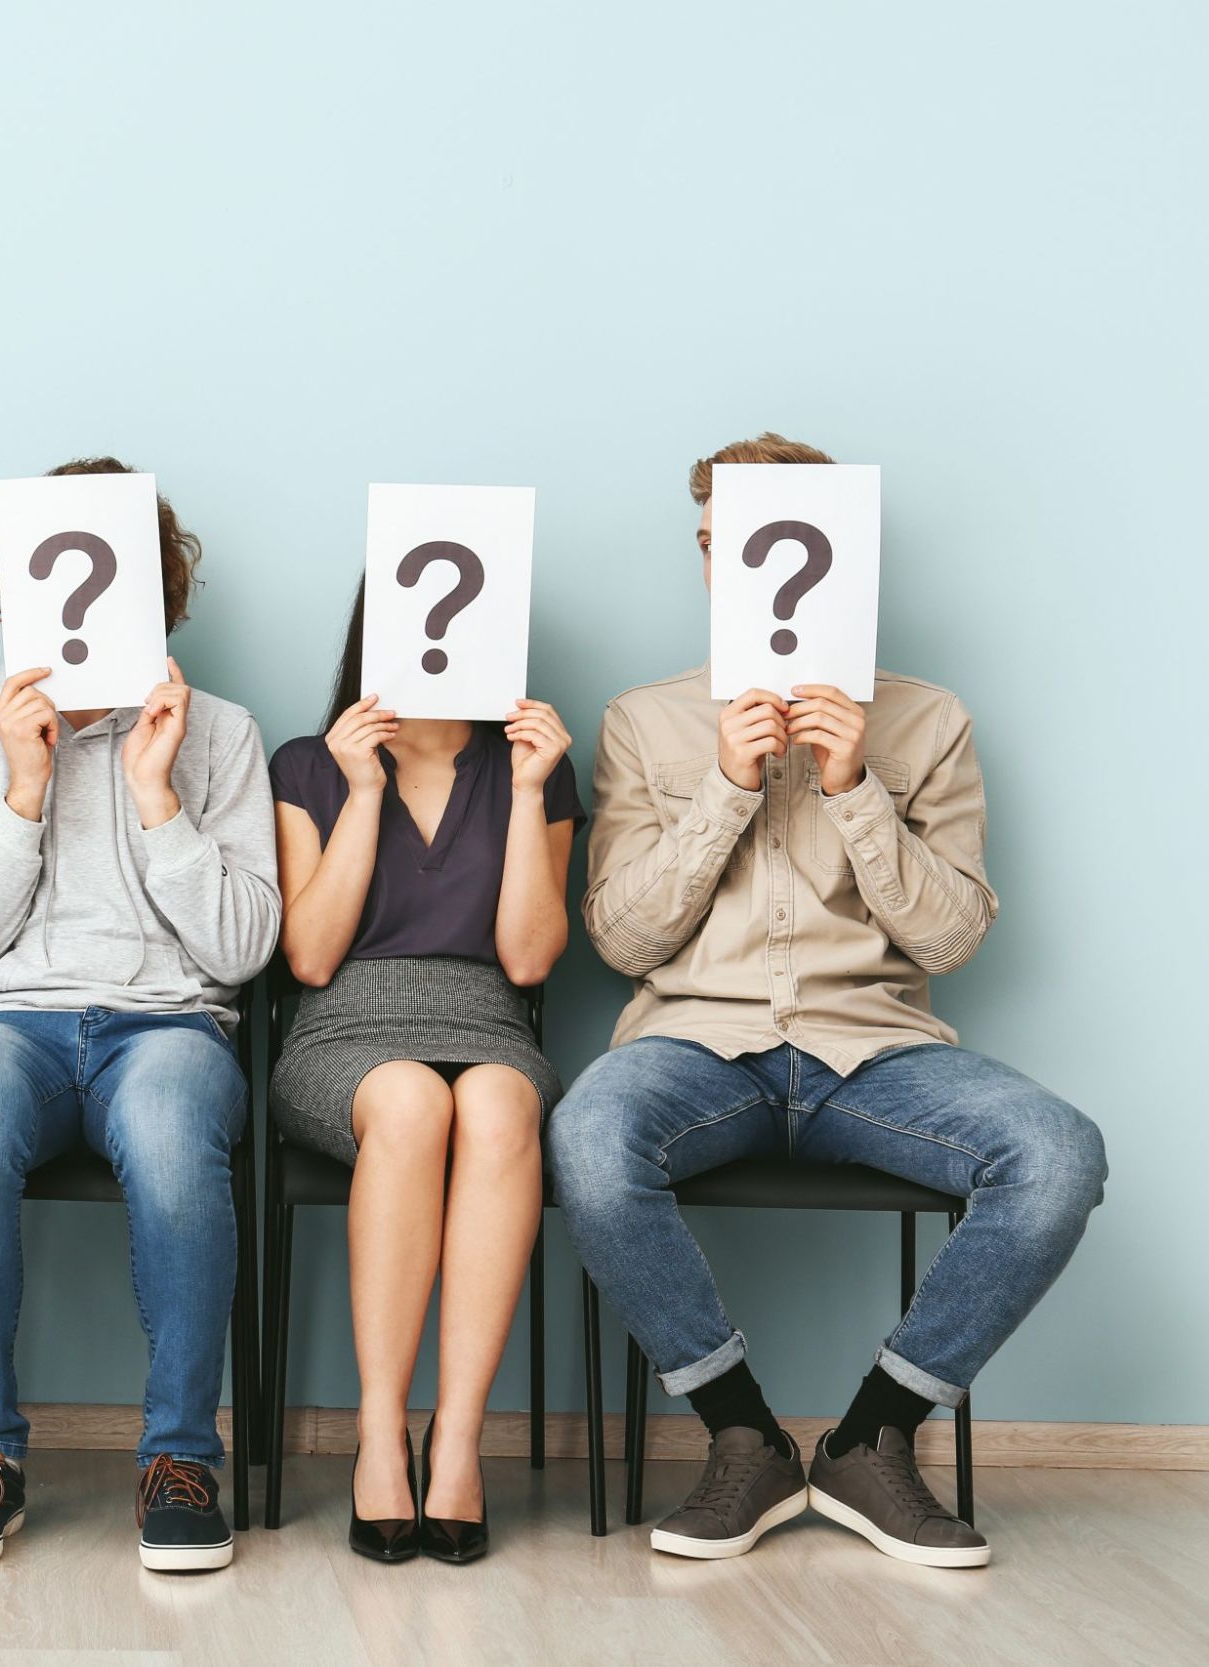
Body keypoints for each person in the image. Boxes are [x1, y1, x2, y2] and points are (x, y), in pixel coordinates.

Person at [548, 432, 1108, 1569]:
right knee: (588, 1134)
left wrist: (856, 790)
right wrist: (724, 784)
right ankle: (740, 1435)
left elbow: (949, 933)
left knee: (1056, 1151)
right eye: (714, 545)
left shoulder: (927, 718)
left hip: (877, 1051)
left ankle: (874, 1435)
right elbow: (620, 937)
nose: (727, 568)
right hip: (698, 1044)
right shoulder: (645, 719)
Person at [0, 458, 280, 1573]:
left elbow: (243, 948)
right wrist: (21, 790)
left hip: (167, 1027)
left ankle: (179, 1457)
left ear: (153, 598)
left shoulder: (221, 734)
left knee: (171, 1130)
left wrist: (157, 796)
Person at [268, 579, 582, 1564]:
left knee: (490, 1101)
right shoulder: (307, 764)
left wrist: (531, 792)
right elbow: (309, 957)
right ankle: (377, 1430)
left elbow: (529, 960)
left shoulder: (534, 767)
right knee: (409, 1096)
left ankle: (455, 1435)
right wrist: (362, 789)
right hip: (343, 1028)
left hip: (489, 1017)